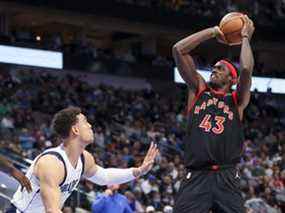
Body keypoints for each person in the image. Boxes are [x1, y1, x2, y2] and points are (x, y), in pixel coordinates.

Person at [172, 15, 255, 213]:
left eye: (220, 68)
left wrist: (245, 38)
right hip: (197, 176)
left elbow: (245, 68)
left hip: (226, 178)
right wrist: (213, 31)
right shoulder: (199, 90)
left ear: (231, 79)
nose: (214, 70)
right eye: (214, 67)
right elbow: (178, 50)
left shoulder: (237, 100)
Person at [6, 107, 159, 213]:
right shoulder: (51, 164)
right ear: (75, 130)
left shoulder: (85, 158)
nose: (90, 125)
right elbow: (52, 209)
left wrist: (138, 171)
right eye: (85, 121)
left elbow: (104, 176)